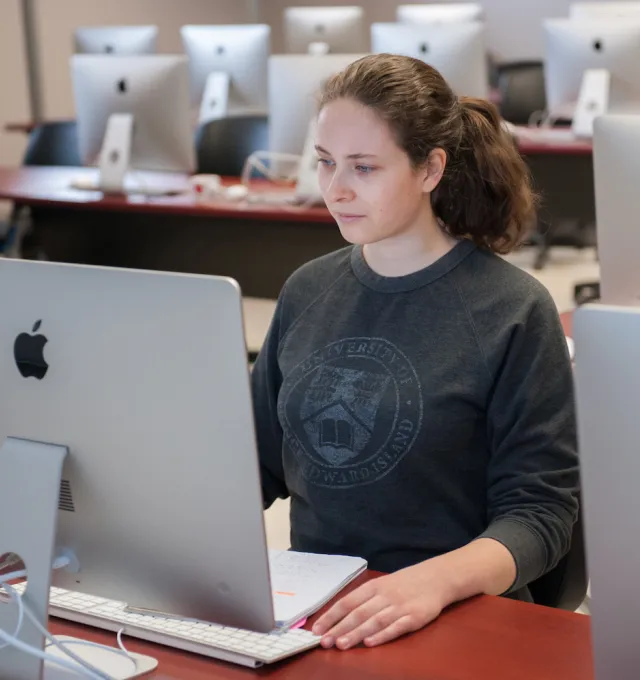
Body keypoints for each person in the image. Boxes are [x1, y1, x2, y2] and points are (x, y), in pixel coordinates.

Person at [251, 54, 579, 651]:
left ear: (431, 169)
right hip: (317, 614)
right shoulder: (307, 289)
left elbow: (540, 516)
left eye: (364, 167)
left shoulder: (513, 309)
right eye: (325, 163)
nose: (336, 189)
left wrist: (430, 583)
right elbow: (256, 462)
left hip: (456, 613)